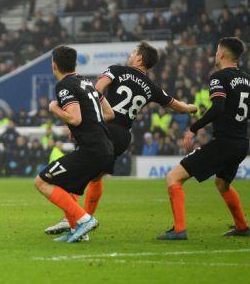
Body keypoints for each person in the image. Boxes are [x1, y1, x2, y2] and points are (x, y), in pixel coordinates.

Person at [44, 41, 197, 235]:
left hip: (103, 127)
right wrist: (192, 108)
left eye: (134, 52)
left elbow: (95, 91)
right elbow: (178, 106)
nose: (130, 55)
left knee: (78, 171)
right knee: (95, 176)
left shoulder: (117, 70)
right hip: (123, 135)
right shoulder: (152, 87)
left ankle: (73, 219)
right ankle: (80, 222)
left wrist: (79, 122)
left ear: (139, 58)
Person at [158, 37, 250, 240]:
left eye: (217, 50)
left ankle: (179, 230)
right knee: (222, 183)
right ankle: (242, 226)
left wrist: (193, 128)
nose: (215, 54)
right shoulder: (247, 79)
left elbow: (218, 107)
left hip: (224, 143)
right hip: (241, 143)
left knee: (174, 177)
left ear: (222, 54)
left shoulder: (219, 77)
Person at [34, 45, 114, 243]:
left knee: (42, 182)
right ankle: (77, 231)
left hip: (92, 150)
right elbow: (110, 113)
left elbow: (75, 118)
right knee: (67, 185)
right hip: (106, 147)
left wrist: (54, 109)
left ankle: (84, 220)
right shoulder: (87, 82)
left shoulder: (64, 85)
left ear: (54, 65)